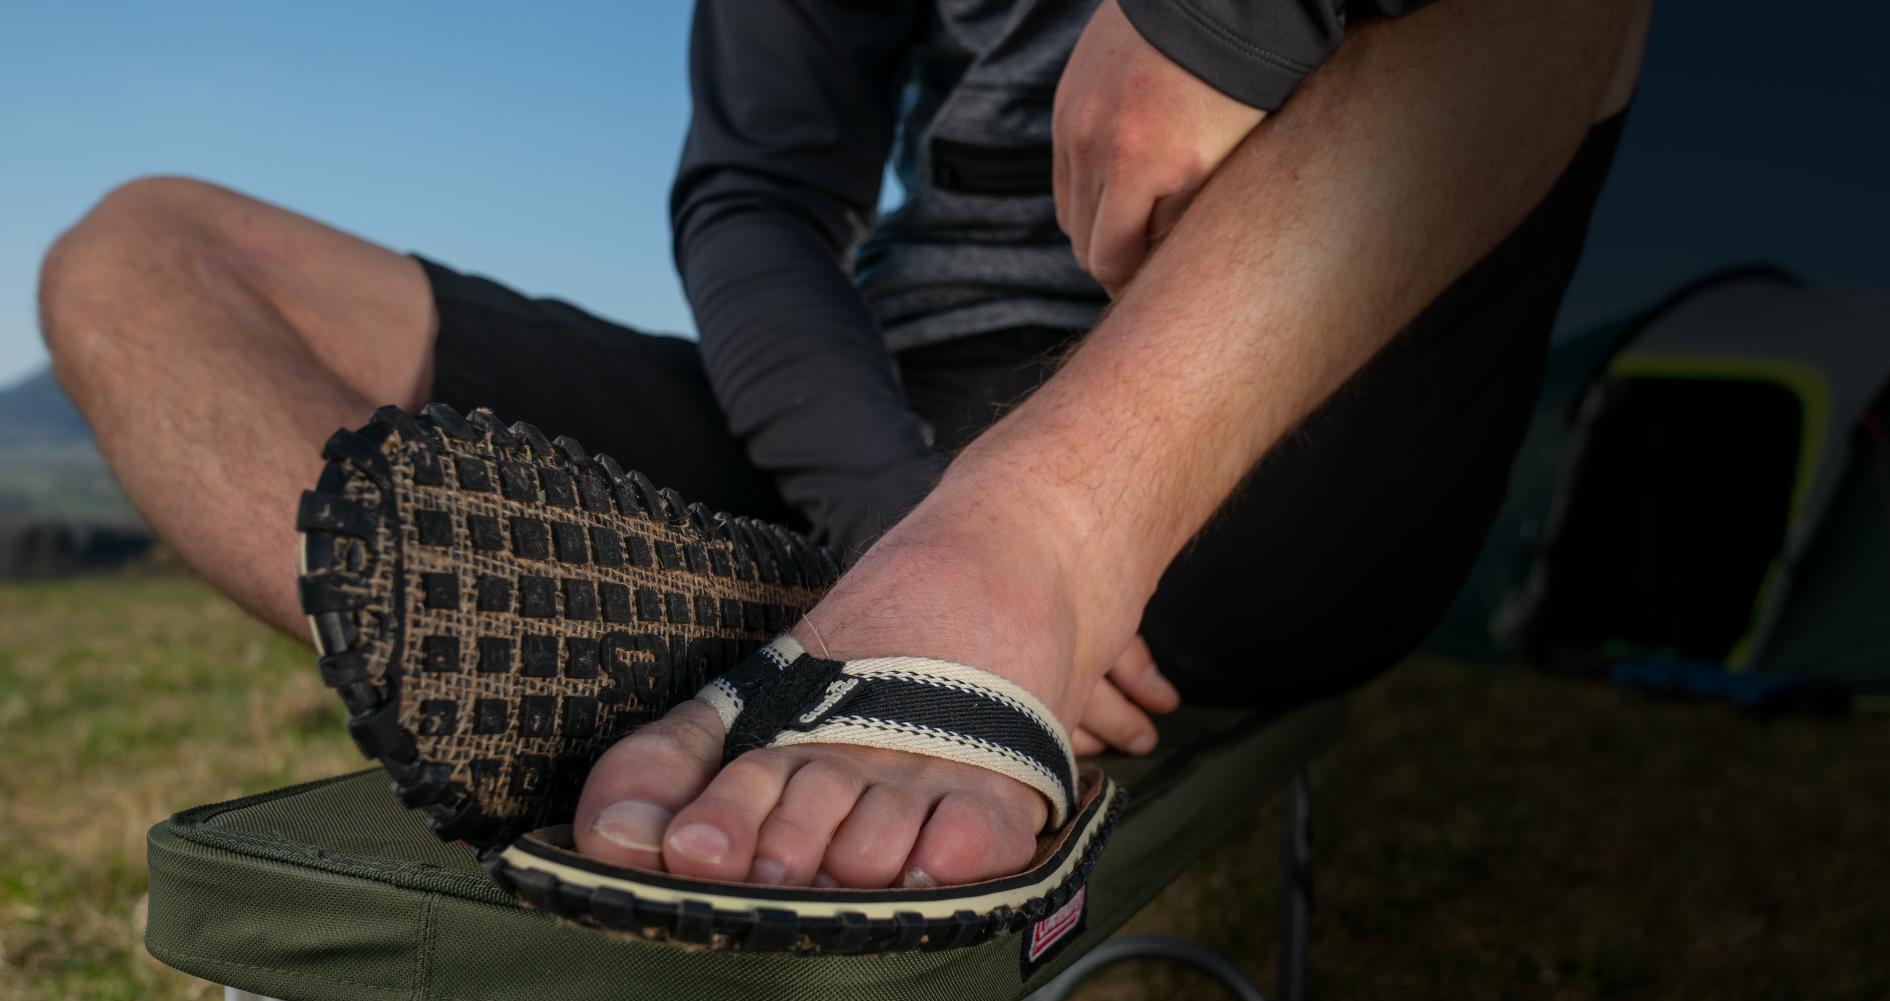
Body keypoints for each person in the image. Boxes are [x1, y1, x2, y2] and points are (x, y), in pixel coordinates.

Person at [38, 0, 1650, 894]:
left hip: (1254, 415)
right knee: (142, 257)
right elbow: (755, 191)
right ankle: (742, 623)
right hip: (871, 434)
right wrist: (887, 509)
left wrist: (1234, 18)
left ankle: (1010, 567)